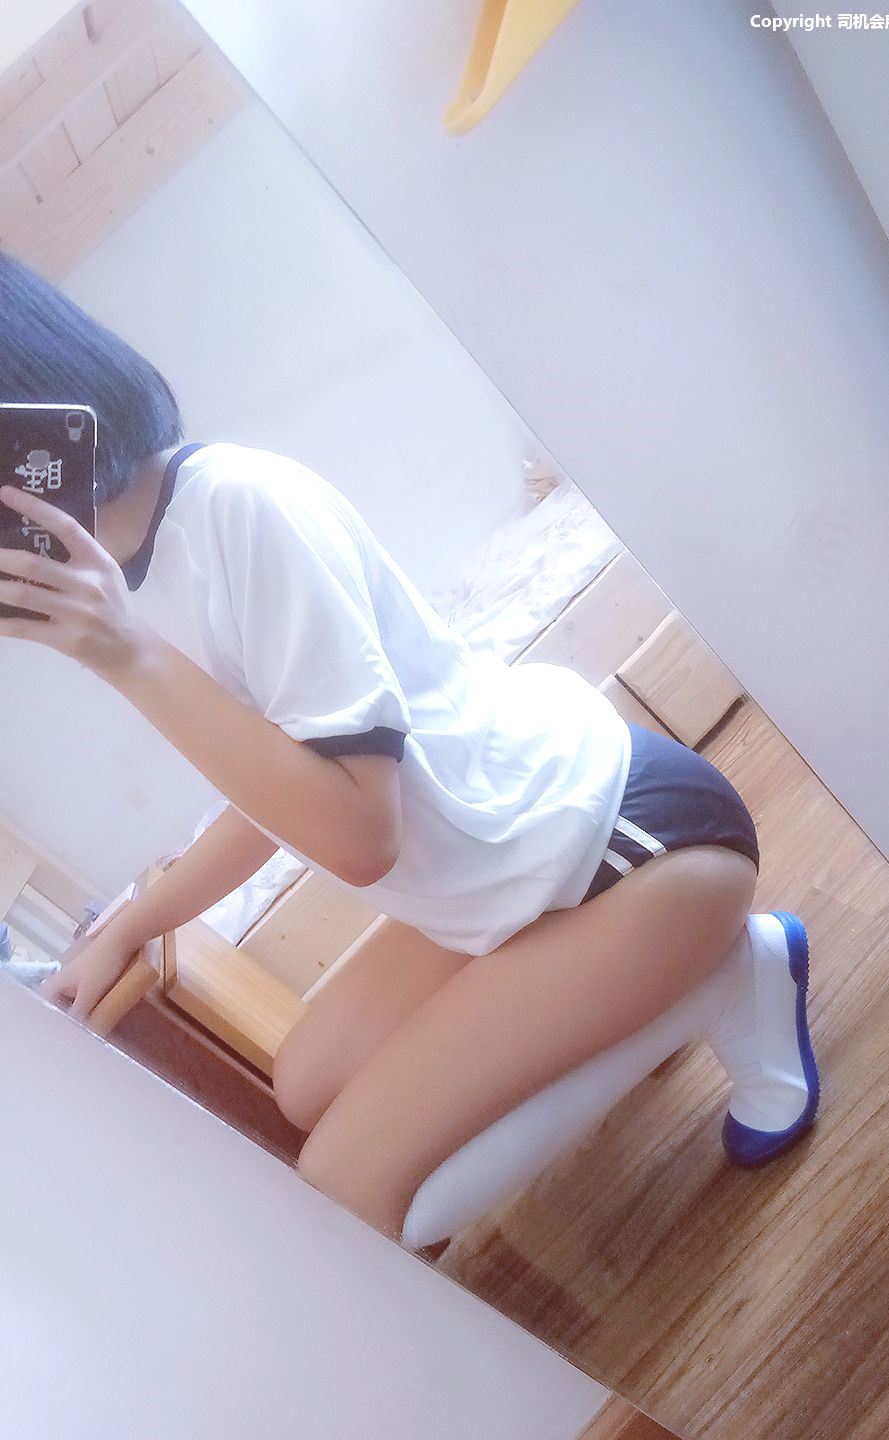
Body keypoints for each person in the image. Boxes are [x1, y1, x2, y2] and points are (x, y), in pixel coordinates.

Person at [0, 252, 819, 1249]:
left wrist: (127, 659)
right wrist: (128, 926)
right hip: (500, 876)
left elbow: (358, 838)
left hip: (623, 846)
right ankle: (663, 983)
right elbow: (271, 800)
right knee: (306, 1087)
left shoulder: (235, 512)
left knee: (346, 1187)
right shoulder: (128, 583)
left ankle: (737, 970)